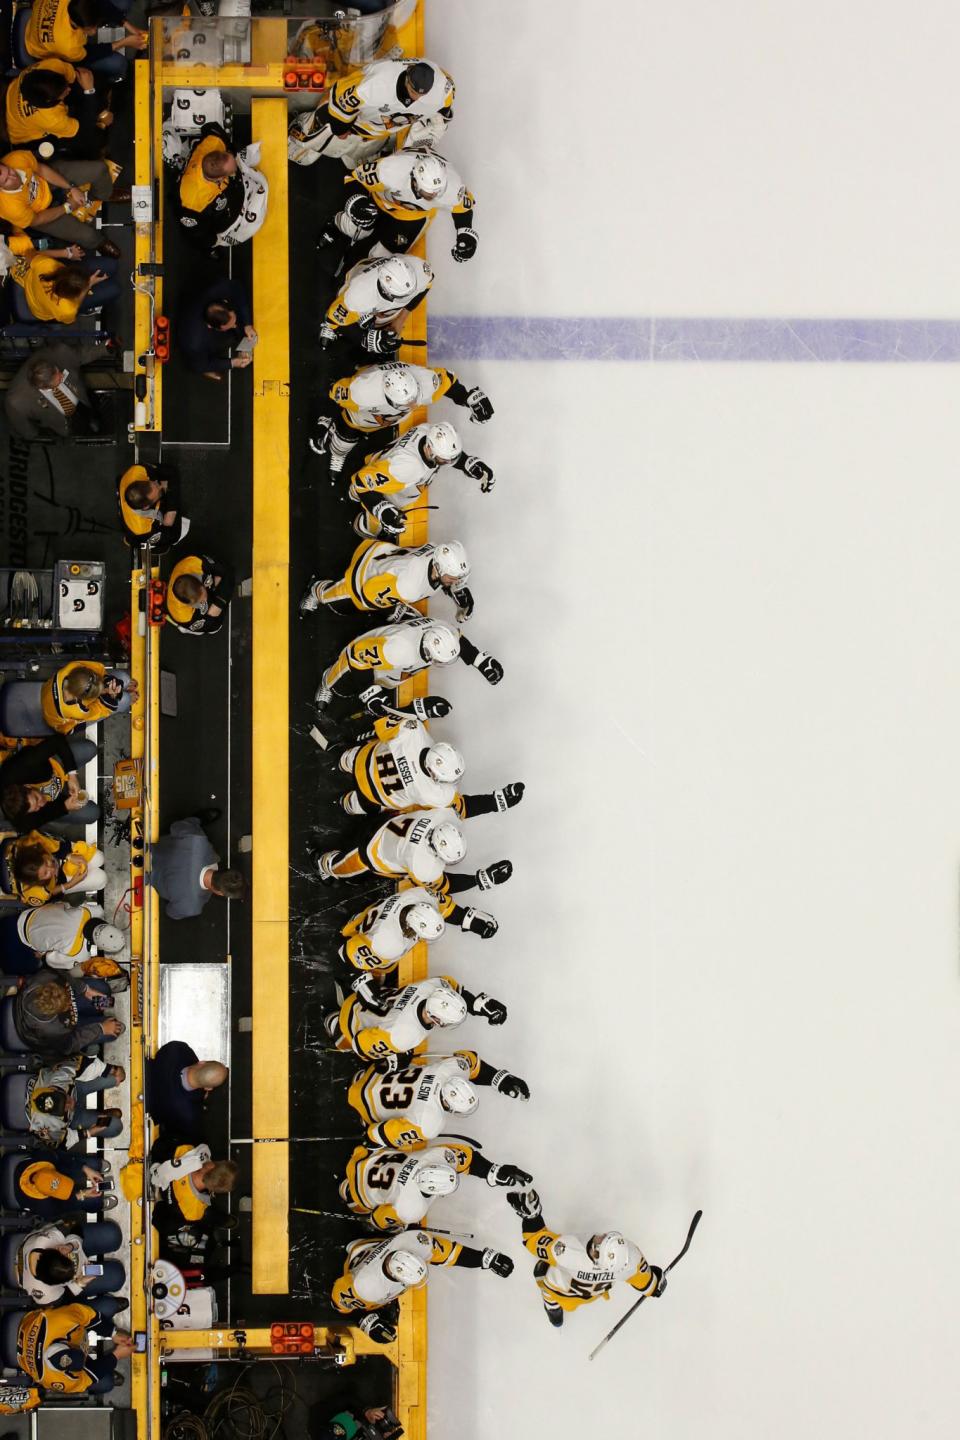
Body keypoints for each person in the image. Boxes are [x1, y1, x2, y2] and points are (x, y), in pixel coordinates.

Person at [506, 1188, 667, 1329]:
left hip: (562, 1294)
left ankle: (555, 1317)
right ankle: (556, 1321)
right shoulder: (630, 1261)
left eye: (598, 1244)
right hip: (592, 1295)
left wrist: (532, 1216)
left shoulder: (569, 1252)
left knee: (542, 1274)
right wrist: (655, 1286)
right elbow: (646, 1283)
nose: (600, 1237)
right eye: (606, 1238)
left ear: (596, 1257)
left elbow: (534, 1239)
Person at [331, 1227, 511, 1345]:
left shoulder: (415, 1243)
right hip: (356, 1252)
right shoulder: (366, 1287)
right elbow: (339, 1306)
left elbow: (449, 1253)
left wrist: (484, 1259)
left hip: (376, 1247)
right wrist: (366, 1321)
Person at [312, 361, 492, 477]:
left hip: (384, 411)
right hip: (362, 408)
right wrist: (325, 416)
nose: (414, 405)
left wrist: (469, 399)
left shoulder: (425, 382)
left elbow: (449, 384)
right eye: (406, 402)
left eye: (413, 399)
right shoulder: (362, 392)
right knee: (347, 434)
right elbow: (333, 392)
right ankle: (336, 447)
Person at [328, 712, 524, 819]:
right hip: (373, 796)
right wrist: (497, 802)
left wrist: (353, 735)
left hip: (362, 760)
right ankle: (340, 804)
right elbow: (463, 807)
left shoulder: (414, 731)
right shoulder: (434, 793)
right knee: (352, 805)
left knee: (348, 759)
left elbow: (380, 724)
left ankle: (339, 762)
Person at [320, 148, 477, 273]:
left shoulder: (453, 187)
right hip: (380, 201)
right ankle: (335, 224)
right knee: (357, 229)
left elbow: (463, 208)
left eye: (436, 193)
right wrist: (357, 202)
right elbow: (355, 178)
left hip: (411, 217)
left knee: (383, 260)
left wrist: (465, 234)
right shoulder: (391, 169)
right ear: (414, 180)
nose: (433, 197)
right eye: (427, 193)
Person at [316, 614, 503, 714]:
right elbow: (358, 655)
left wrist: (480, 661)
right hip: (362, 657)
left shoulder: (444, 631)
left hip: (388, 662)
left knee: (387, 683)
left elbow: (458, 640)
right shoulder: (399, 650)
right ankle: (327, 681)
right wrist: (369, 694)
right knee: (342, 686)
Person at [340, 1136, 532, 1232]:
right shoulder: (413, 1206)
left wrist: (495, 1171)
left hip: (362, 1165)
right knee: (379, 1218)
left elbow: (468, 1159)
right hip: (361, 1197)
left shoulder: (433, 1157)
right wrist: (495, 1171)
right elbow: (378, 1219)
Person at [347, 1049, 530, 1148]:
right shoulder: (430, 1122)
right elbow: (385, 1133)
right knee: (388, 1143)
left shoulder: (448, 1070)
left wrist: (500, 1079)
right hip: (362, 1111)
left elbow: (470, 1061)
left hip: (367, 1076)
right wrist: (372, 1140)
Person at [344, 422, 493, 537]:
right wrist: (382, 510)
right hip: (386, 489)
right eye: (445, 459)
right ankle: (362, 520)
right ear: (430, 449)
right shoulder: (409, 467)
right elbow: (361, 482)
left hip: (383, 466)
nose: (450, 463)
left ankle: (355, 496)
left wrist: (468, 463)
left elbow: (447, 454)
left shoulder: (429, 431)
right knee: (372, 524)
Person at [324, 973, 508, 1065]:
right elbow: (361, 1048)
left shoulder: (434, 986)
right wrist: (399, 1057)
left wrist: (476, 1004)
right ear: (437, 1020)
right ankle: (333, 1024)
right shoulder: (407, 1036)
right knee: (352, 1048)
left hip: (359, 999)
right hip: (349, 1024)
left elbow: (450, 986)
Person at [338, 883, 498, 987]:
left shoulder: (420, 896)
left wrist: (470, 921)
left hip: (373, 918)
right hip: (363, 937)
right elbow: (347, 957)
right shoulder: (389, 945)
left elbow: (445, 909)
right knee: (383, 969)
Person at [293, 57, 455, 160]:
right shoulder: (377, 83)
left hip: (376, 131)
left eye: (421, 95)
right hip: (353, 119)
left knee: (350, 154)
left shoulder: (443, 89)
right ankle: (294, 139)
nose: (415, 98)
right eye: (412, 91)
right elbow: (339, 96)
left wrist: (438, 123)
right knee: (310, 139)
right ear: (407, 75)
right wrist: (341, 128)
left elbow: (444, 111)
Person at [299, 538, 473, 618]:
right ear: (439, 568)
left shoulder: (436, 549)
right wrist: (392, 608)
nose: (455, 582)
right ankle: (316, 589)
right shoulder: (410, 587)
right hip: (363, 576)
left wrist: (455, 590)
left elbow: (433, 578)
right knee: (334, 599)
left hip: (379, 550)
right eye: (454, 578)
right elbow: (369, 594)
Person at [0, 151, 121, 254]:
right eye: (6, 181)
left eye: (9, 171)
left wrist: (71, 187)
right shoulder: (8, 207)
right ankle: (100, 243)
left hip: (47, 181)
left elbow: (40, 169)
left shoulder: (15, 159)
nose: (13, 177)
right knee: (88, 236)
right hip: (42, 213)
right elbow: (37, 219)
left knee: (99, 169)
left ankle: (104, 194)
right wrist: (67, 207)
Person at [319, 254, 433, 357]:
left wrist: (400, 320)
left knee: (378, 324)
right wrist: (365, 337)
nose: (410, 295)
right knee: (339, 317)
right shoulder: (357, 296)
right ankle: (329, 326)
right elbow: (339, 313)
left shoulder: (421, 270)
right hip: (356, 288)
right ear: (386, 292)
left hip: (375, 292)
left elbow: (426, 286)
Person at [177, 122, 267, 252]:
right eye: (232, 170)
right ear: (220, 179)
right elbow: (196, 230)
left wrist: (231, 150)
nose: (236, 168)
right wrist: (213, 242)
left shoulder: (214, 142)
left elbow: (210, 127)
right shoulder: (192, 200)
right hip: (221, 218)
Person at [15, 1300, 132, 1395]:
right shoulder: (56, 1380)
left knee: (108, 1305)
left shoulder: (59, 1320)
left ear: (67, 1343)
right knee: (106, 1384)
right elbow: (86, 1378)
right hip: (27, 1357)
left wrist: (112, 1333)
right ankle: (107, 1364)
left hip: (33, 1321)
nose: (86, 1356)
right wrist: (116, 1356)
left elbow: (88, 1315)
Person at [4, 341, 109, 441]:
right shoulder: (16, 401)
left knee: (89, 412)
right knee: (77, 429)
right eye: (58, 380)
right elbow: (26, 430)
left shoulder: (59, 352)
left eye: (57, 371)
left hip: (79, 398)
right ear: (44, 387)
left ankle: (92, 419)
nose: (62, 375)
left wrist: (105, 347)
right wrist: (36, 436)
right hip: (61, 420)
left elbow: (81, 354)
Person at [4, 60, 113, 156]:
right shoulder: (51, 119)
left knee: (96, 81)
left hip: (7, 95)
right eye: (63, 92)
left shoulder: (50, 66)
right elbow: (82, 129)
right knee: (94, 139)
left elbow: (81, 74)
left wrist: (100, 109)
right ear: (50, 102)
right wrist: (89, 92)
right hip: (15, 131)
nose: (68, 90)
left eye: (65, 85)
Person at [148, 814, 243, 920]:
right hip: (146, 880)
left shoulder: (198, 841)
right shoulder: (191, 907)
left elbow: (176, 826)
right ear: (220, 893)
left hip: (148, 851)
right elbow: (170, 912)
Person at [148, 1137, 238, 1249]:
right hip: (160, 1200)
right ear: (212, 1190)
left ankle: (222, 1220)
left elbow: (158, 1145)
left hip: (154, 1170)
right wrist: (160, 1201)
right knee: (205, 1216)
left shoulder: (185, 1149)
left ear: (211, 1165)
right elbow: (160, 1224)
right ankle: (222, 1220)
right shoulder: (193, 1212)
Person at [25, 0, 148, 81]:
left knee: (123, 3)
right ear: (79, 26)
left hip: (39, 22)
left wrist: (129, 26)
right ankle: (113, 81)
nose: (94, 31)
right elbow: (89, 54)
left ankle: (114, 23)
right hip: (42, 49)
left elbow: (101, 3)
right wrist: (124, 42)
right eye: (92, 28)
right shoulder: (69, 46)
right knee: (118, 63)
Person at [0, 732, 99, 830]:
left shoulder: (24, 765)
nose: (42, 804)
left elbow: (57, 741)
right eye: (36, 809)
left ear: (27, 786)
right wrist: (65, 807)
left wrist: (72, 775)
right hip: (55, 804)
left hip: (54, 767)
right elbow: (42, 816)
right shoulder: (22, 821)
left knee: (90, 749)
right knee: (93, 813)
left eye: (37, 799)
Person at [13, 968, 123, 1055]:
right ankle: (95, 1018)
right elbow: (69, 1045)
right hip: (66, 1032)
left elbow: (63, 976)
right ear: (56, 1013)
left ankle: (94, 1013)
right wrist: (100, 1029)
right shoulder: (50, 1031)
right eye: (67, 1004)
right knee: (114, 1031)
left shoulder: (45, 977)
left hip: (62, 1018)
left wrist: (85, 990)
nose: (70, 1003)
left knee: (104, 991)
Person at [0, 899, 124, 975]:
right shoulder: (79, 953)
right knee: (36, 967)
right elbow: (49, 960)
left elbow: (71, 903)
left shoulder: (88, 911)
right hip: (20, 942)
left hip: (21, 917)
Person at [16, 1219, 125, 1304]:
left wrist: (71, 1245)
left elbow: (73, 1224)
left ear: (51, 1250)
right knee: (117, 1277)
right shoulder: (45, 1293)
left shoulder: (44, 1241)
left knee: (113, 1234)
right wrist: (80, 1283)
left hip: (76, 1246)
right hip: (78, 1279)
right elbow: (66, 1299)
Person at [25, 1054, 125, 1146]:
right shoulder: (45, 1127)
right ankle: (100, 1115)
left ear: (54, 1088)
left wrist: (114, 1070)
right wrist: (90, 1131)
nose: (71, 1104)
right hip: (73, 1119)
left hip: (77, 1087)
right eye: (63, 1108)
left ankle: (99, 1115)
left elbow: (84, 1063)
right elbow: (65, 1141)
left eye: (65, 1099)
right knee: (115, 1126)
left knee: (113, 1078)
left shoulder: (58, 1075)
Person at [145, 1041, 228, 1142]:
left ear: (202, 1062)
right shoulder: (190, 1116)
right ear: (208, 1088)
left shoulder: (178, 1050)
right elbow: (170, 1130)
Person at [178, 277, 256, 378]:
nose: (235, 325)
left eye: (234, 319)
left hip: (196, 296)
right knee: (203, 362)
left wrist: (248, 324)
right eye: (230, 326)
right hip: (191, 334)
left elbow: (237, 288)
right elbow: (199, 366)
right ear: (210, 326)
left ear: (224, 303)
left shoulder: (218, 289)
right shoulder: (194, 342)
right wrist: (232, 362)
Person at [11, 250, 120, 322]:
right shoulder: (67, 309)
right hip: (39, 309)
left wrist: (67, 253)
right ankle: (83, 310)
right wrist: (89, 284)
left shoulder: (48, 265)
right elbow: (75, 304)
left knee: (112, 265)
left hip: (31, 282)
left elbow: (30, 254)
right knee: (115, 289)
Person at [3, 833, 106, 905]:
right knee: (102, 879)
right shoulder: (35, 893)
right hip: (60, 880)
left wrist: (69, 855)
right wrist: (71, 884)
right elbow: (50, 892)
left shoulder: (34, 840)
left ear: (37, 851)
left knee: (100, 858)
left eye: (46, 862)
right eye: (46, 873)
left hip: (56, 855)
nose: (52, 869)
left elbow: (58, 846)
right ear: (37, 882)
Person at [41, 660, 137, 734]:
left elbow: (99, 669)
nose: (105, 689)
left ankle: (124, 690)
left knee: (125, 679)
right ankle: (126, 702)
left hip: (46, 693)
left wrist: (110, 682)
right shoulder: (76, 710)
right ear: (83, 698)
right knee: (125, 699)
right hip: (65, 724)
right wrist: (111, 696)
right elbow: (101, 710)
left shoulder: (73, 667)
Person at [7, 1152, 116, 1217]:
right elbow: (63, 1207)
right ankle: (98, 1204)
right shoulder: (44, 1206)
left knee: (90, 1164)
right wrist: (81, 1194)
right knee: (92, 1201)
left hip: (41, 1168)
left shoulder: (46, 1159)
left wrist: (85, 1169)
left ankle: (92, 1167)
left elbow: (63, 1158)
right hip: (40, 1201)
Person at [117, 462, 187, 550]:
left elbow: (171, 471)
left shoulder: (137, 471)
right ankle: (131, 541)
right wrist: (171, 511)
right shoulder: (143, 530)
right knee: (162, 546)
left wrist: (171, 506)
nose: (160, 486)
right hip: (136, 533)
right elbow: (174, 536)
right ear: (146, 507)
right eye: (158, 492)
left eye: (154, 483)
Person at [165, 553, 234, 636]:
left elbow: (228, 570)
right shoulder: (183, 616)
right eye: (198, 603)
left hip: (203, 581)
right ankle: (186, 629)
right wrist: (218, 604)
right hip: (190, 617)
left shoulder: (196, 562)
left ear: (201, 583)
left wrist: (219, 601)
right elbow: (212, 626)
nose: (205, 601)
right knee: (215, 627)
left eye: (203, 596)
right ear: (188, 604)